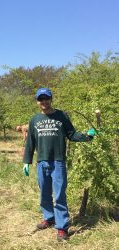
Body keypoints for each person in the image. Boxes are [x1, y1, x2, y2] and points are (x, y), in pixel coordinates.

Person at [22, 87, 97, 241]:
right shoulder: (34, 120)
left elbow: (71, 134)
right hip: (42, 161)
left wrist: (87, 136)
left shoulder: (61, 115)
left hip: (58, 162)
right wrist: (26, 161)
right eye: (40, 99)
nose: (44, 101)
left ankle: (62, 227)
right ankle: (49, 218)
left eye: (46, 98)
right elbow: (30, 142)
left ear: (51, 99)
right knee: (44, 193)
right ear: (37, 101)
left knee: (59, 194)